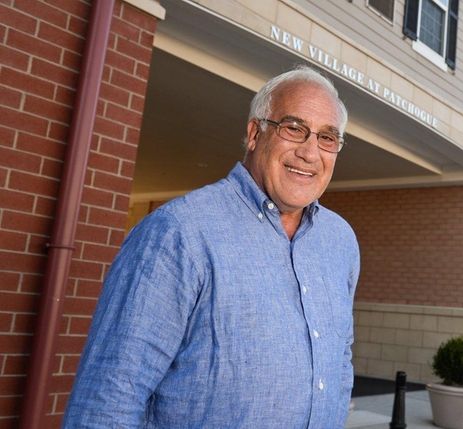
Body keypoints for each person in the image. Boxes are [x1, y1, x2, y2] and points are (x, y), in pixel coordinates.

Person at [64, 66, 360, 428]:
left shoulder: (340, 241)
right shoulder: (178, 233)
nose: (310, 152)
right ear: (255, 133)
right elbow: (109, 399)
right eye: (294, 128)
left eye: (328, 138)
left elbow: (339, 360)